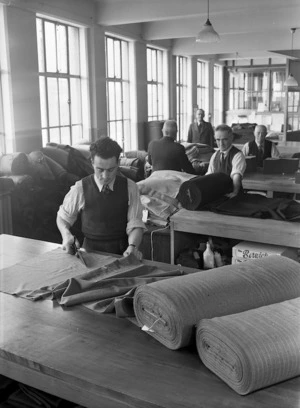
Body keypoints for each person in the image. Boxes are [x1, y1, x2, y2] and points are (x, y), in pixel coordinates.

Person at [57, 137, 146, 259]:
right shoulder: (80, 188)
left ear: (118, 163)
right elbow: (63, 218)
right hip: (90, 252)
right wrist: (66, 235)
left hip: (122, 252)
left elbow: (135, 223)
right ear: (92, 162)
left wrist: (133, 247)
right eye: (100, 170)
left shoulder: (130, 187)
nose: (105, 176)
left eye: (111, 170)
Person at [206, 124, 246, 198]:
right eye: (218, 140)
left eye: (224, 139)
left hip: (233, 195)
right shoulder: (215, 155)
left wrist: (235, 192)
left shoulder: (237, 155)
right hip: (218, 194)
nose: (221, 143)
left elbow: (236, 176)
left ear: (231, 138)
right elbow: (209, 175)